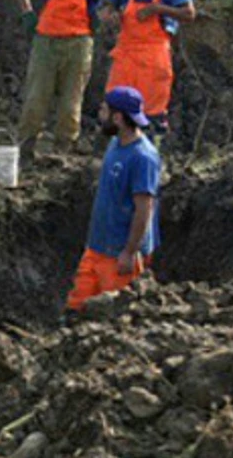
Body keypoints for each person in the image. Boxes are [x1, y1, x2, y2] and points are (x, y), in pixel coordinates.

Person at [14, 0, 116, 163]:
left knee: (71, 104)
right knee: (36, 99)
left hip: (79, 43)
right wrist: (27, 12)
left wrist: (103, 16)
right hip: (46, 41)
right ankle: (25, 151)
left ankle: (63, 153)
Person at [65, 87, 161, 315]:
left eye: (104, 110)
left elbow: (144, 208)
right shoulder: (116, 144)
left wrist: (129, 252)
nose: (100, 114)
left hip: (118, 255)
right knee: (75, 309)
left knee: (113, 316)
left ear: (117, 118)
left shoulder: (142, 157)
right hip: (97, 247)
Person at [100, 0, 195, 135]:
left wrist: (157, 9)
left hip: (154, 57)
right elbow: (110, 5)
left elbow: (189, 13)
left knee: (152, 112)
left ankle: (150, 155)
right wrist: (111, 15)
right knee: (113, 105)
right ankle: (109, 155)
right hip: (125, 53)